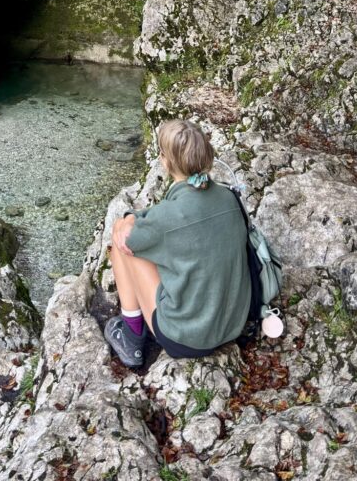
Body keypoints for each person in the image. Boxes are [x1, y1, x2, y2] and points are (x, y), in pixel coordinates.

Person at [105, 118, 250, 365]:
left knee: (122, 246)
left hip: (186, 337)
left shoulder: (169, 216)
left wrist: (124, 221)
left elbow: (129, 238)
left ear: (165, 162)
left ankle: (131, 334)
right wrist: (135, 219)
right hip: (233, 325)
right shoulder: (230, 198)